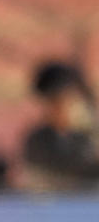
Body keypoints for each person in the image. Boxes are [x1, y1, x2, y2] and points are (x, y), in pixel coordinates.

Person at [23, 61, 99, 190]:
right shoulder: (37, 141)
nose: (58, 108)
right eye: (53, 101)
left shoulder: (89, 138)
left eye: (65, 100)